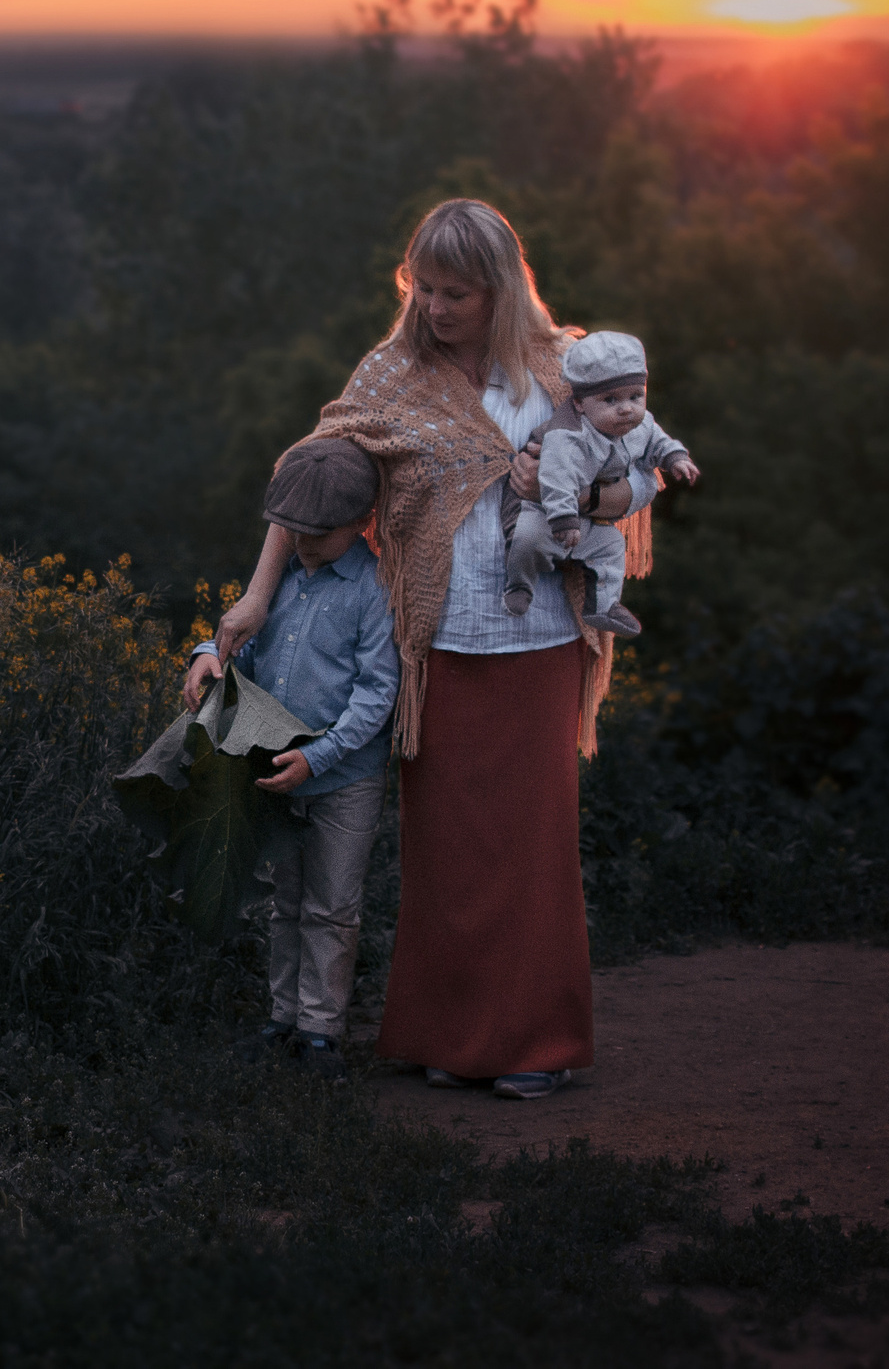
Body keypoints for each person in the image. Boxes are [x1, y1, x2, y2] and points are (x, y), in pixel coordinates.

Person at [211, 198, 661, 1100]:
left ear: (501, 288)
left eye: (457, 292)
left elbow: (636, 472)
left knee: (530, 847)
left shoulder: (563, 368)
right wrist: (255, 598)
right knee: (447, 853)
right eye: (424, 288)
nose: (436, 308)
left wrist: (581, 497)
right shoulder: (391, 375)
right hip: (435, 648)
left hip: (540, 646)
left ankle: (532, 1045)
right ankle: (449, 1040)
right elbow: (308, 476)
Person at [184, 437, 398, 1084]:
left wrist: (321, 757)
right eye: (295, 532)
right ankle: (281, 1022)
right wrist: (206, 656)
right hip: (276, 771)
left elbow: (377, 693)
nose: (304, 544)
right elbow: (242, 652)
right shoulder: (278, 584)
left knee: (331, 907)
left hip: (343, 778)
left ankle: (321, 1034)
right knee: (286, 903)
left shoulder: (373, 589)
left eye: (320, 534)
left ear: (363, 521)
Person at [502, 330, 699, 640]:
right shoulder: (566, 436)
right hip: (543, 508)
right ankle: (519, 584)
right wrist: (564, 519)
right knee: (526, 539)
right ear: (580, 403)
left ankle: (603, 606)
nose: (626, 408)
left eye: (635, 396)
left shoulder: (638, 422)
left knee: (612, 545)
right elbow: (555, 481)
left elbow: (655, 439)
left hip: (586, 514)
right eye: (610, 399)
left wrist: (675, 458)